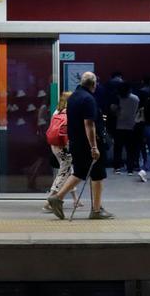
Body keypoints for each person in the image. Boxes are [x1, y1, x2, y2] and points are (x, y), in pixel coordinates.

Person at [46, 71, 113, 220]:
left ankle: (59, 198)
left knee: (81, 172)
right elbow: (89, 124)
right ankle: (95, 210)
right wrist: (94, 147)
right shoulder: (88, 99)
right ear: (94, 84)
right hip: (87, 143)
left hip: (75, 142)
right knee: (97, 174)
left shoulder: (74, 97)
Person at [42, 91, 76, 212]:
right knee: (63, 173)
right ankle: (49, 201)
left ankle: (75, 199)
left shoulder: (57, 112)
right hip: (65, 146)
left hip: (55, 144)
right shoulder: (71, 112)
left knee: (67, 171)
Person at [112, 81, 140, 175]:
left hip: (119, 126)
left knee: (118, 149)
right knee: (130, 149)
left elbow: (113, 110)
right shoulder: (136, 98)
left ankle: (117, 168)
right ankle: (130, 169)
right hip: (131, 126)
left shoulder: (118, 98)